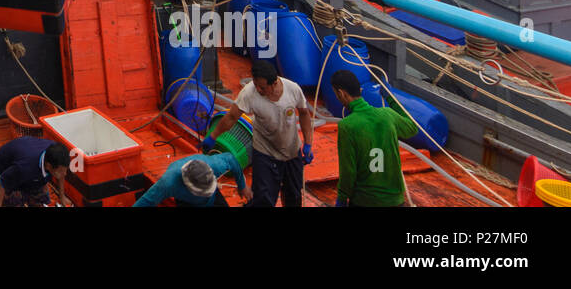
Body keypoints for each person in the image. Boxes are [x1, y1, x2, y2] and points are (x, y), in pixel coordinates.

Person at [204, 60, 314, 207]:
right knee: (263, 199)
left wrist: (308, 143)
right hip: (264, 153)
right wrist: (213, 136)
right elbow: (231, 117)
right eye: (255, 85)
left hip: (291, 152)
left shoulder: (292, 89)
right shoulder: (249, 93)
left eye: (262, 87)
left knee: (293, 195)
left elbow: (304, 113)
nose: (258, 90)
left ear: (274, 83)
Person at [331, 70, 418, 207]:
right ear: (360, 90)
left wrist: (342, 198)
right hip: (395, 201)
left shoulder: (346, 126)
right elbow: (412, 128)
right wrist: (390, 98)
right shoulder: (387, 114)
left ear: (341, 93)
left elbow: (348, 171)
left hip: (365, 201)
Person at [133, 152, 251, 207]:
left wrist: (242, 185)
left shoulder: (215, 164)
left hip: (213, 198)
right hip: (187, 201)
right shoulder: (168, 184)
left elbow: (231, 159)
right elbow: (144, 203)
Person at [0, 136, 72, 207]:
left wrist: (62, 196)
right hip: (7, 164)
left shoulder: (58, 156)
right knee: (14, 199)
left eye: (65, 170)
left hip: (29, 156)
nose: (64, 174)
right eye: (61, 171)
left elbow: (61, 174)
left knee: (42, 201)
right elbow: (0, 182)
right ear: (48, 166)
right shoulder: (24, 167)